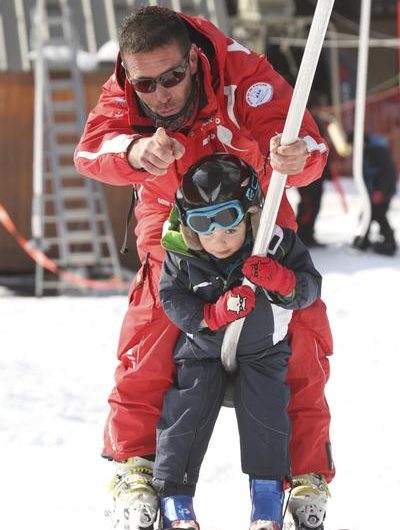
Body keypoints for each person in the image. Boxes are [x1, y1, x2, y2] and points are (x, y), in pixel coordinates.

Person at [74, 6, 334, 530]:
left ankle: (307, 474)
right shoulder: (127, 89)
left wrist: (294, 156)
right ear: (129, 76)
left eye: (173, 77)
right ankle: (136, 467)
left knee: (299, 320)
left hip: (255, 209)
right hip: (171, 214)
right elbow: (91, 149)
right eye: (148, 84)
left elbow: (309, 144)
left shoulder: (243, 73)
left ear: (193, 60)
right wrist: (135, 148)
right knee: (154, 315)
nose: (162, 93)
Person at [153, 153, 323, 530]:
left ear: (249, 213)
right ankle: (175, 502)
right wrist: (210, 316)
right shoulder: (182, 256)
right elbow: (171, 298)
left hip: (263, 350)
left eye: (229, 221)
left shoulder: (275, 244)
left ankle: (266, 501)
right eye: (203, 225)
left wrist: (282, 282)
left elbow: (310, 286)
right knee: (184, 413)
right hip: (202, 352)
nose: (218, 237)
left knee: (267, 415)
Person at [352, 133, 398, 256]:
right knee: (369, 214)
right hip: (373, 191)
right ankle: (363, 240)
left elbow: (387, 172)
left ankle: (388, 243)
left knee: (378, 215)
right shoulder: (368, 149)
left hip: (382, 191)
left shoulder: (377, 151)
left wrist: (380, 191)